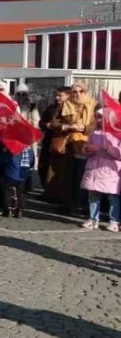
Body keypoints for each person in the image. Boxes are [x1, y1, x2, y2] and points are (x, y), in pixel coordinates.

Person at [62, 82, 97, 217]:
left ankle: (84, 206)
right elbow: (55, 122)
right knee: (72, 178)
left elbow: (98, 123)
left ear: (85, 92)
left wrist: (85, 128)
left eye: (80, 91)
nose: (77, 94)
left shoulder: (94, 105)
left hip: (88, 144)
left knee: (85, 178)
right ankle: (71, 205)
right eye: (74, 92)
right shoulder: (66, 105)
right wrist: (66, 127)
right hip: (70, 145)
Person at [79, 125, 121, 230]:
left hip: (110, 170)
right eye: (97, 116)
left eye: (101, 117)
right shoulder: (94, 133)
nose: (99, 119)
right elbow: (85, 148)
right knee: (93, 195)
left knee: (112, 197)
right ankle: (93, 219)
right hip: (94, 169)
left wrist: (108, 148)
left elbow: (119, 154)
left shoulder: (118, 133)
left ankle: (114, 221)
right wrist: (88, 149)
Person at [0, 142, 35, 219]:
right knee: (21, 193)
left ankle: (7, 209)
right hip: (23, 175)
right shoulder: (30, 151)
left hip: (11, 174)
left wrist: (4, 151)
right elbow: (32, 163)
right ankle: (19, 210)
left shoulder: (11, 149)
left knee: (7, 191)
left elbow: (3, 161)